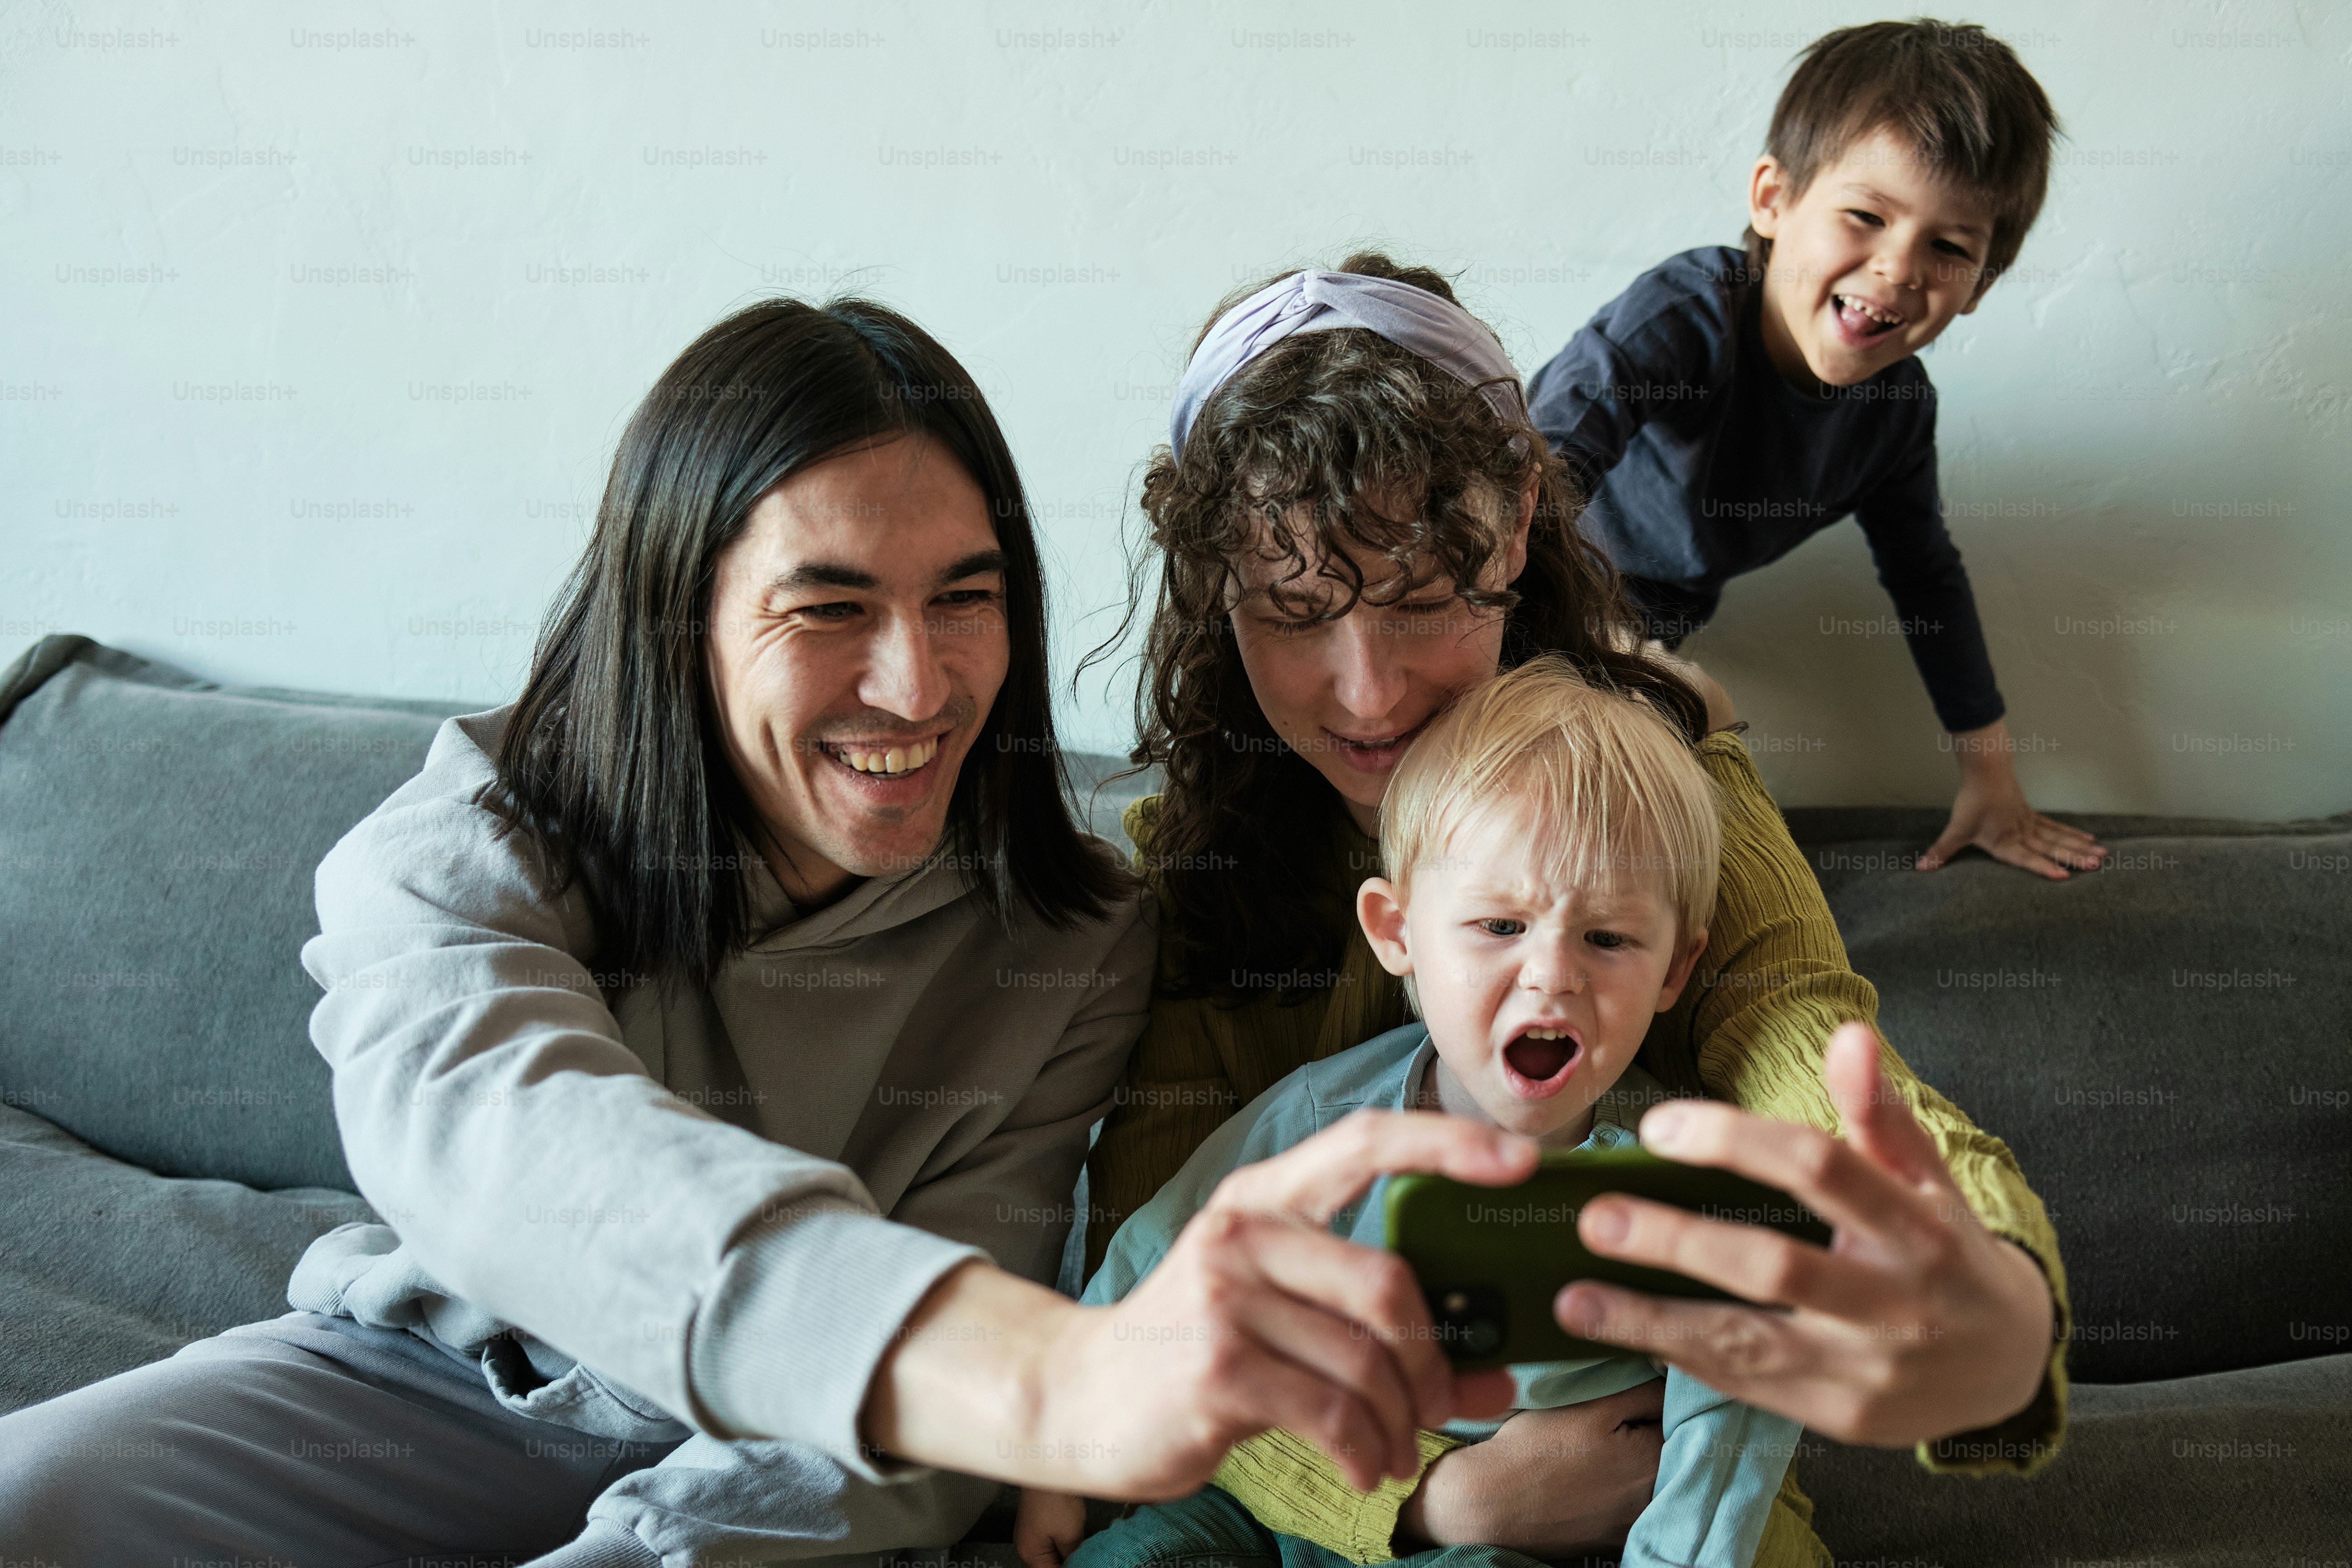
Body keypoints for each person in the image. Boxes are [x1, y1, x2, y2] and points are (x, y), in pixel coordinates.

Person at [0, 298, 1536, 1563]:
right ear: (681, 612)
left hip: (811, 1462)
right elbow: (511, 1134)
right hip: (440, 1378)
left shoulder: (1068, 933)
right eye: (829, 608)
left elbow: (908, 1451)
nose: (919, 683)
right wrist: (1052, 1370)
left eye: (966, 596)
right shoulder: (471, 841)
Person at [1087, 255, 2071, 1562]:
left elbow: (1802, 1044)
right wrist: (1429, 1504)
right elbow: (1143, 1316)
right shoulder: (1189, 867)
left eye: (1426, 598)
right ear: (1220, 586)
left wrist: (1989, 1291)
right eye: (1297, 609)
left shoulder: (1665, 780)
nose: (1368, 691)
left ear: (1517, 526)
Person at [1026, 657, 1818, 1568]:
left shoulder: (1682, 1185)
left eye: (1607, 938)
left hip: (1515, 1539)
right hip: (1275, 1506)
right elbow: (1162, 1250)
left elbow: (1730, 1417)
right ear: (1397, 933)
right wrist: (1061, 1455)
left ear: (1675, 969)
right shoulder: (1330, 1116)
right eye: (1498, 926)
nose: (1551, 974)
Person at [1525, 19, 2108, 881]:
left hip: (1654, 639)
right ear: (1773, 199)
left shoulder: (1897, 415)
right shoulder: (1688, 316)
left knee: (1680, 841)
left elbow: (1927, 581)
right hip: (1521, 597)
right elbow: (1537, 468)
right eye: (1866, 216)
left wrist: (1991, 776)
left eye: (1949, 248)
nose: (1899, 268)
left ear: (1981, 284)